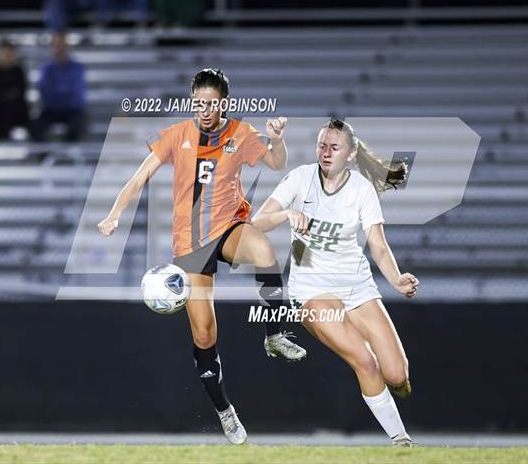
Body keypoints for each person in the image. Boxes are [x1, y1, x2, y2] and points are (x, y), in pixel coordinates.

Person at [97, 69, 306, 444]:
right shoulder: (177, 135)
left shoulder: (241, 133)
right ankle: (225, 411)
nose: (204, 109)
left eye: (211, 103)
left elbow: (277, 164)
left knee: (263, 249)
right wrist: (115, 213)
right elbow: (139, 176)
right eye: (198, 103)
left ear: (224, 102)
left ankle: (274, 334)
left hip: (228, 227)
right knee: (205, 333)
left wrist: (278, 141)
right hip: (190, 244)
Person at [252, 119, 418, 446]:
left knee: (397, 373)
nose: (326, 153)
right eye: (322, 146)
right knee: (365, 361)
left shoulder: (361, 189)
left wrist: (397, 279)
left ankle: (395, 386)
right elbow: (257, 221)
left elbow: (378, 245)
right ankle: (402, 442)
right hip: (313, 293)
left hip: (357, 288)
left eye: (335, 147)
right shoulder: (301, 179)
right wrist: (286, 215)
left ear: (352, 154)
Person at [32, 33, 87, 142]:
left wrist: (58, 92)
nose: (60, 49)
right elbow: (45, 92)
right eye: (57, 46)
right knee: (34, 126)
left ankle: (67, 155)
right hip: (51, 110)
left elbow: (76, 94)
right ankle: (44, 156)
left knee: (79, 125)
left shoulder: (77, 68)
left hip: (73, 111)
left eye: (63, 46)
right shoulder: (46, 69)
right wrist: (64, 91)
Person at [0, 39, 29, 140]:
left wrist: (0, 94)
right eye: (4, 52)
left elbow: (18, 93)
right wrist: (5, 94)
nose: (6, 55)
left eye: (9, 52)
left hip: (16, 112)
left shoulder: (18, 71)